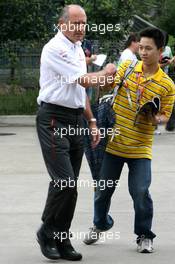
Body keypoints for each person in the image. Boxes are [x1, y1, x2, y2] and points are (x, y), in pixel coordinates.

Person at [83, 27, 175, 253]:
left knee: (140, 191)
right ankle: (100, 223)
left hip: (140, 148)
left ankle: (144, 235)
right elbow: (107, 87)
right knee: (102, 189)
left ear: (160, 50)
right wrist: (105, 78)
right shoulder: (127, 67)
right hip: (113, 144)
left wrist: (155, 118)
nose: (143, 52)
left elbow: (165, 116)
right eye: (141, 47)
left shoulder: (167, 85)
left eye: (148, 49)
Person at [36, 4, 116, 261]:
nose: (81, 28)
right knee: (65, 182)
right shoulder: (54, 48)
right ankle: (46, 231)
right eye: (76, 23)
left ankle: (62, 239)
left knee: (69, 186)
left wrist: (91, 121)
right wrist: (106, 73)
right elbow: (84, 80)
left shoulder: (77, 48)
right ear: (62, 24)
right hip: (53, 119)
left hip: (74, 119)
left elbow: (80, 92)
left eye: (83, 23)